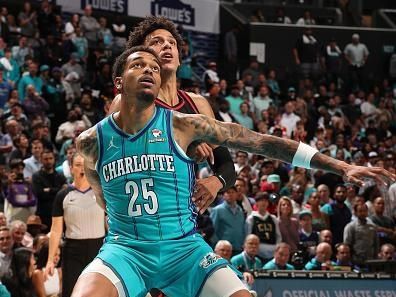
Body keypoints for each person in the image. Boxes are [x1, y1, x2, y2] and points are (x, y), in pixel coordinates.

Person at [74, 45, 395, 296]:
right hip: (127, 251)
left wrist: (339, 165)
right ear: (119, 82)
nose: (149, 70)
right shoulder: (91, 143)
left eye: (155, 68)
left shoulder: (183, 126)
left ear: (160, 84)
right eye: (138, 65)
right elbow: (105, 200)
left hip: (185, 250)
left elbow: (262, 143)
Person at [109, 16, 236, 213]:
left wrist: (216, 181)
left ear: (179, 56)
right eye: (157, 42)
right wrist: (184, 144)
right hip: (138, 218)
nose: (167, 45)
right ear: (142, 55)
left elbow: (226, 166)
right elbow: (112, 162)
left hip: (181, 219)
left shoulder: (198, 104)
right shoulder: (126, 101)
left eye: (172, 43)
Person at [45, 153, 105, 297]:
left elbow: (111, 222)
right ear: (71, 168)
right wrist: (50, 261)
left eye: (85, 165)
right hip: (73, 251)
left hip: (99, 249)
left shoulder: (102, 193)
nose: (82, 168)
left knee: (100, 291)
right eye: (78, 165)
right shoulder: (62, 195)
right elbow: (55, 230)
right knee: (72, 292)